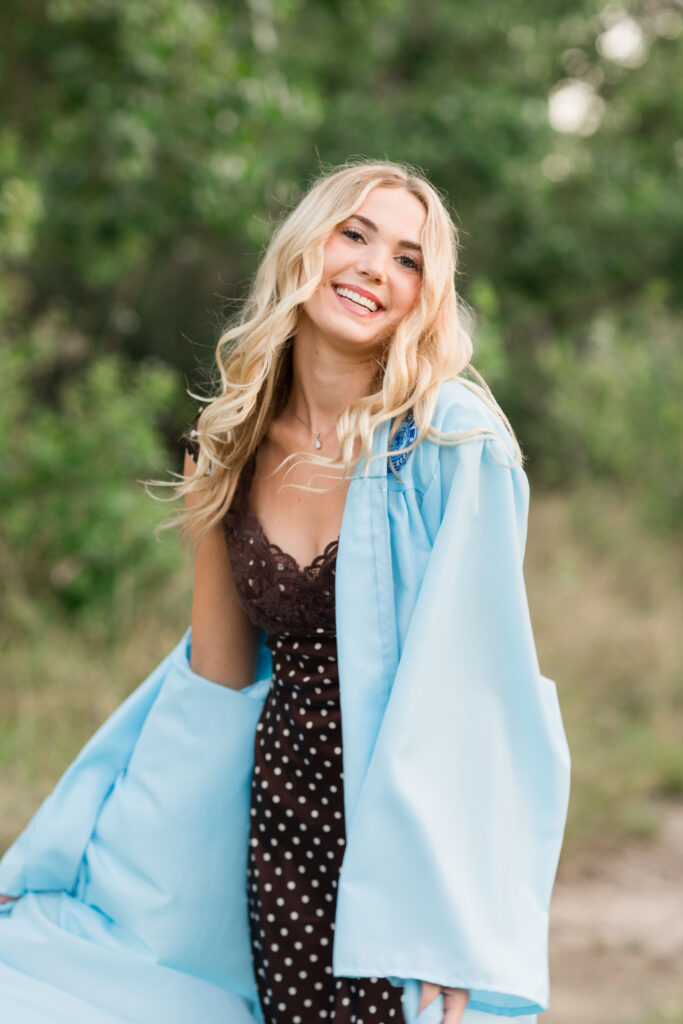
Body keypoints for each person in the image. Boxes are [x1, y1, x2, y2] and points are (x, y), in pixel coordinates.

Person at [0, 159, 571, 1024]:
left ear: (425, 295)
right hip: (284, 818)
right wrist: (94, 846)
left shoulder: (450, 442)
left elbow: (477, 687)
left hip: (399, 834)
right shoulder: (227, 440)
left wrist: (452, 915)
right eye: (354, 235)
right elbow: (217, 675)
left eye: (408, 258)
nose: (375, 268)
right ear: (305, 246)